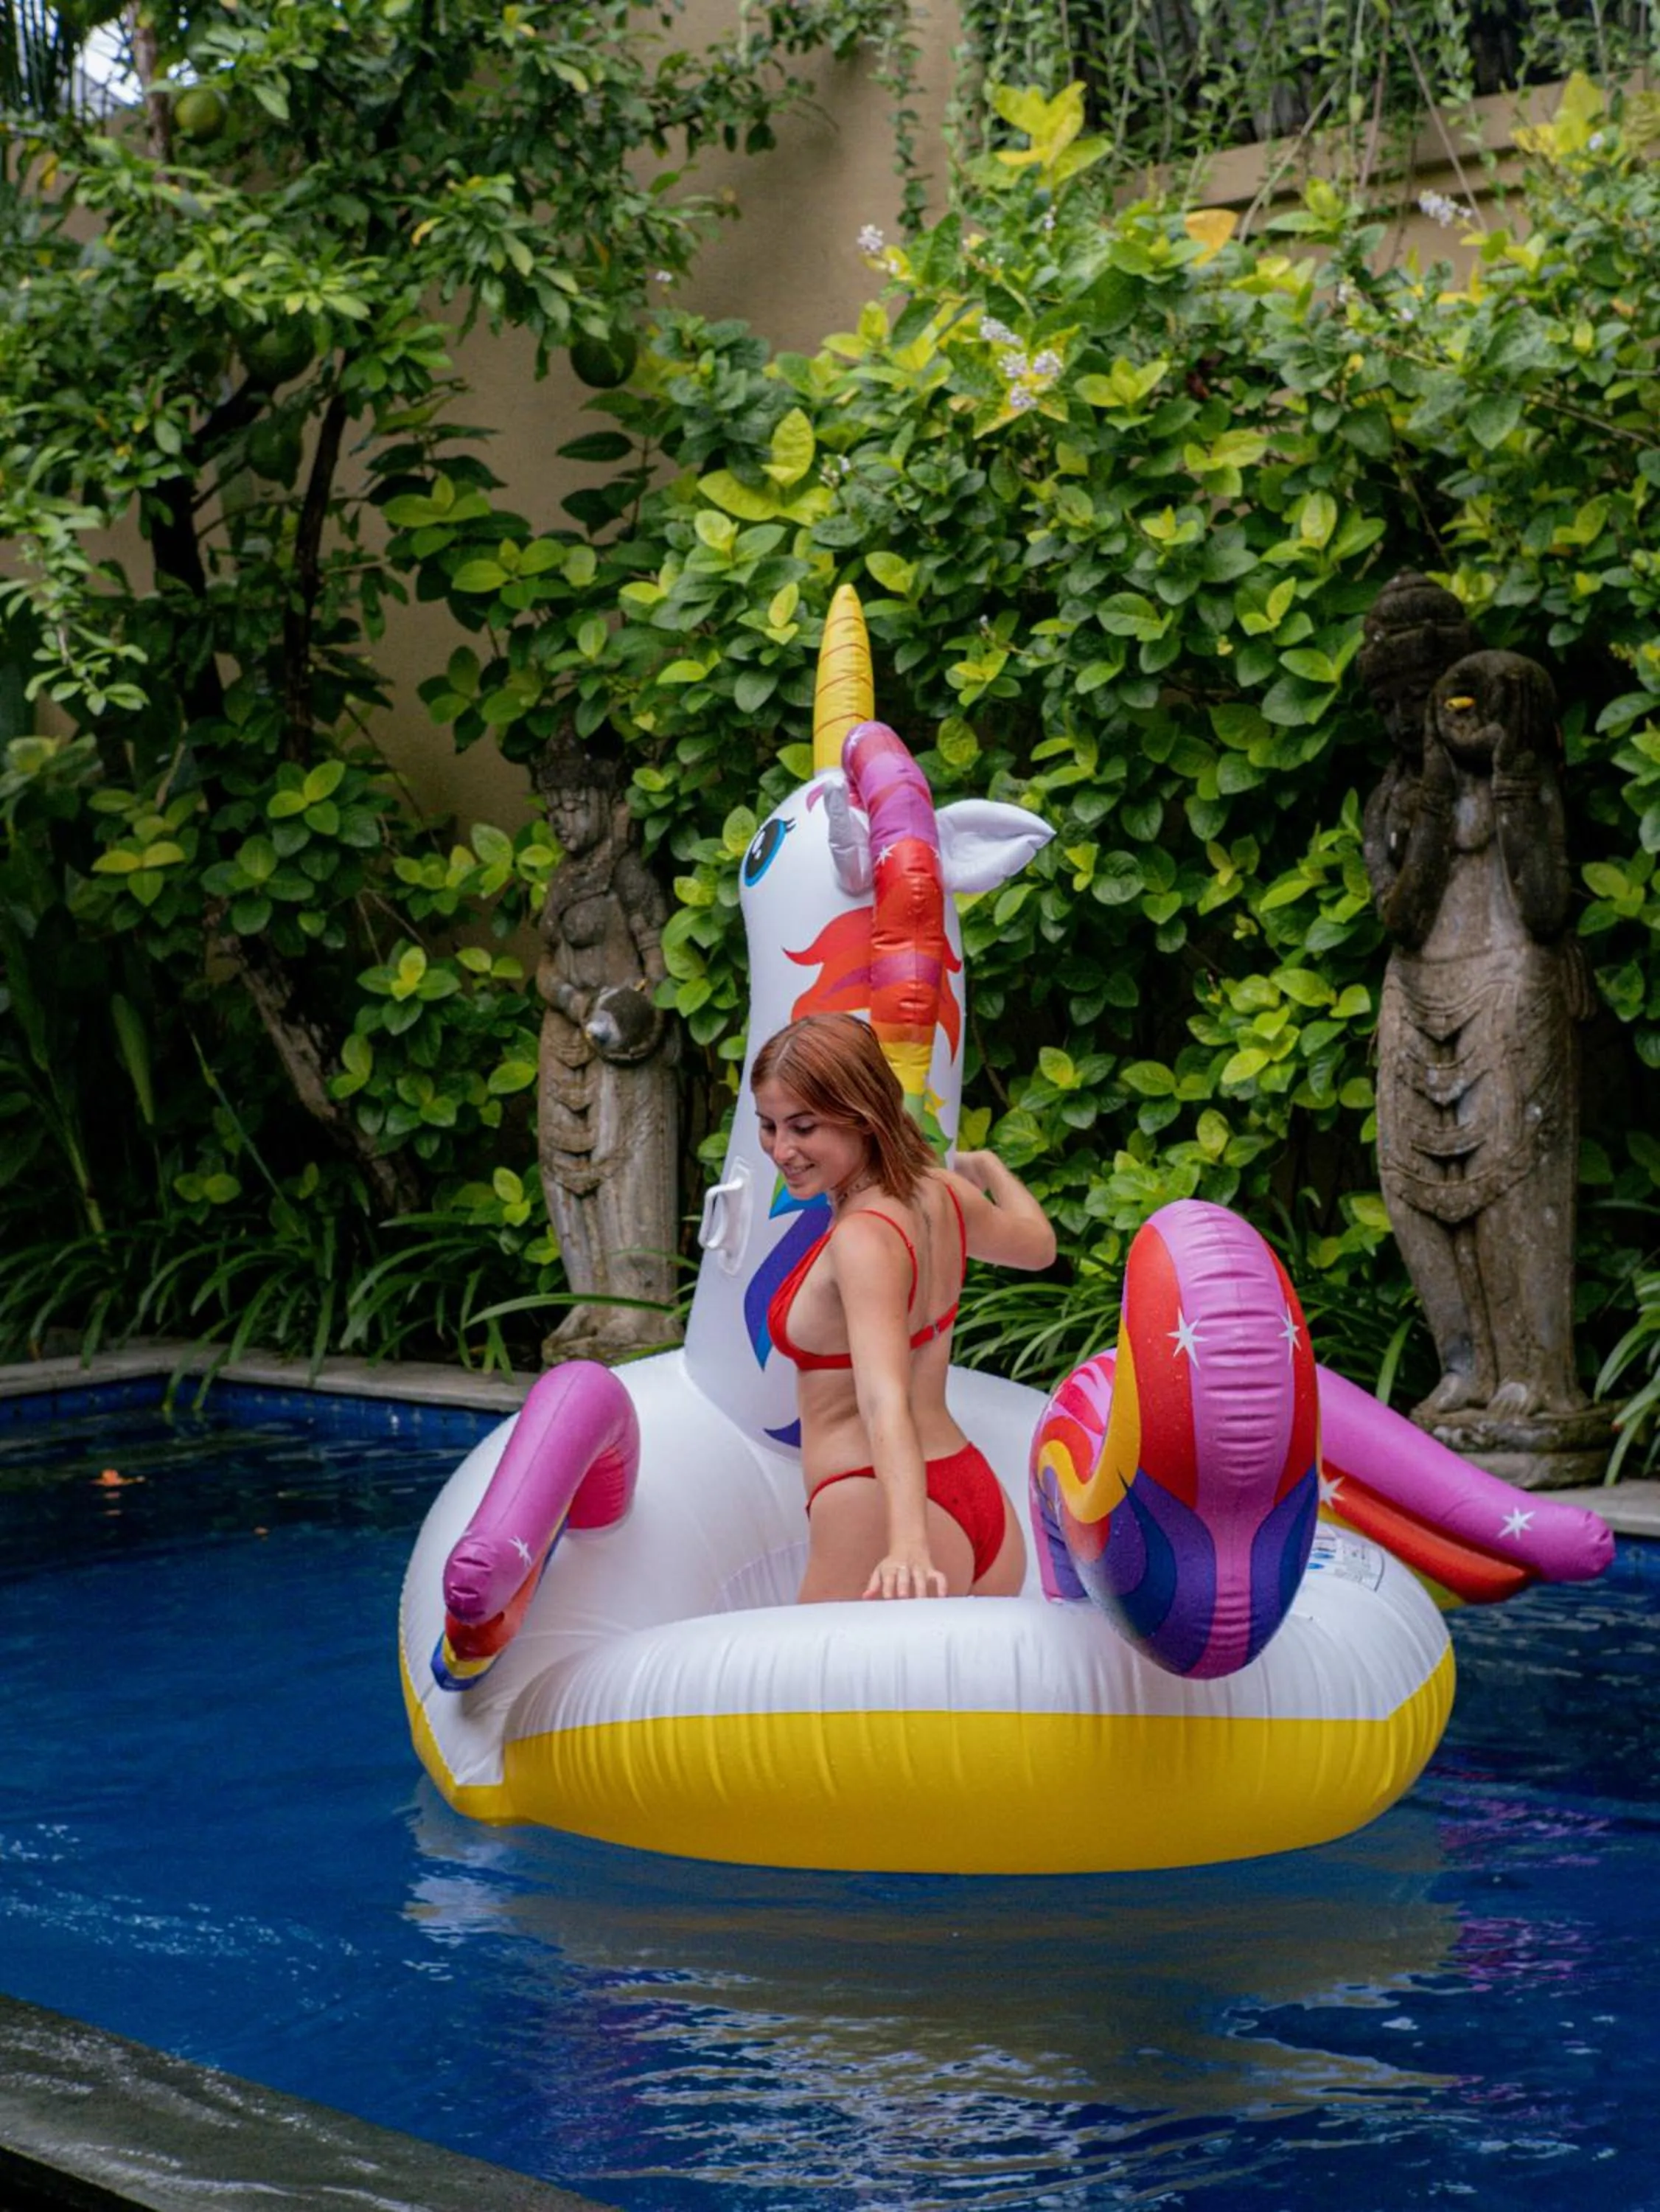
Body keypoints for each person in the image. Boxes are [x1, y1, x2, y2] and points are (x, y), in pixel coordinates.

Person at [750, 1012, 1056, 1602]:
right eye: (769, 1127)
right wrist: (990, 1168)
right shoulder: (940, 1191)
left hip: (881, 1511)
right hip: (975, 1499)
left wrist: (907, 1543)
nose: (782, 1150)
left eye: (804, 1127)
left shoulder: (863, 1238)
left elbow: (881, 1398)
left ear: (861, 1116)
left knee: (801, 1698)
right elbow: (1039, 1247)